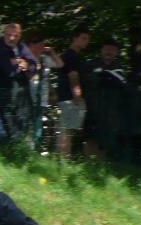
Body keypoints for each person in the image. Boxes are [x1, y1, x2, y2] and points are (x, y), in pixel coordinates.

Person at [0, 23, 36, 142]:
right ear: (4, 34)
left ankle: (17, 151)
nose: (11, 38)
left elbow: (34, 65)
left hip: (20, 95)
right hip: (1, 93)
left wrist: (26, 64)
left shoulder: (22, 47)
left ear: (19, 36)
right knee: (3, 127)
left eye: (15, 35)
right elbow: (7, 69)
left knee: (22, 123)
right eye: (9, 35)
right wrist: (15, 63)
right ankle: (1, 152)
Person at [85, 39, 125, 158]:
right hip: (92, 106)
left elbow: (123, 87)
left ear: (117, 52)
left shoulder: (119, 68)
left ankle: (99, 165)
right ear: (101, 50)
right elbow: (85, 82)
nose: (109, 52)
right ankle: (88, 162)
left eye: (113, 50)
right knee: (90, 135)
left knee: (106, 138)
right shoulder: (91, 64)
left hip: (110, 109)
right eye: (107, 49)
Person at [56, 26, 90, 156]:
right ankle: (63, 160)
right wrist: (78, 96)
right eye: (83, 38)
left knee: (68, 129)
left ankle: (64, 159)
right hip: (70, 98)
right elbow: (73, 76)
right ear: (74, 38)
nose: (86, 41)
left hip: (68, 98)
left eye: (87, 39)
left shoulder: (73, 56)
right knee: (67, 130)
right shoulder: (71, 56)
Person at [25, 31, 63, 146]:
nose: (43, 47)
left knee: (37, 129)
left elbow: (60, 64)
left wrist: (51, 52)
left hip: (41, 99)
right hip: (27, 98)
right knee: (26, 126)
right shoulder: (24, 58)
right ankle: (22, 150)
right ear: (33, 44)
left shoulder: (44, 59)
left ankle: (31, 150)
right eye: (41, 44)